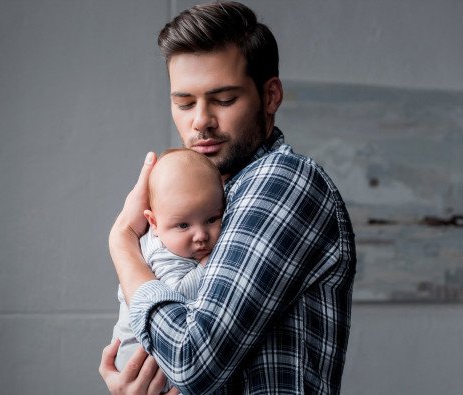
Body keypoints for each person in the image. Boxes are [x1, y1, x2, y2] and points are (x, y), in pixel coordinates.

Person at [99, 2, 356, 394]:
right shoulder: (207, 199)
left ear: (270, 96)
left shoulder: (283, 180)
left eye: (223, 99)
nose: (200, 120)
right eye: (184, 103)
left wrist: (121, 243)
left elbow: (192, 360)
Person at [111, 148, 225, 372]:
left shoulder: (174, 239)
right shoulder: (160, 252)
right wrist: (207, 264)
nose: (201, 235)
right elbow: (175, 297)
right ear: (153, 222)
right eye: (183, 225)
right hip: (138, 361)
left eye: (212, 219)